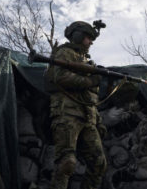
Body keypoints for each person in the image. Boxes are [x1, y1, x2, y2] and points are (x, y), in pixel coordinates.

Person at [45, 21, 107, 189]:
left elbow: (90, 97)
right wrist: (89, 81)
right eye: (88, 38)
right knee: (67, 163)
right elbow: (60, 77)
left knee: (99, 163)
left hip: (88, 117)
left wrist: (98, 120)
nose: (91, 42)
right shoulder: (65, 53)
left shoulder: (86, 60)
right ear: (78, 36)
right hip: (67, 114)